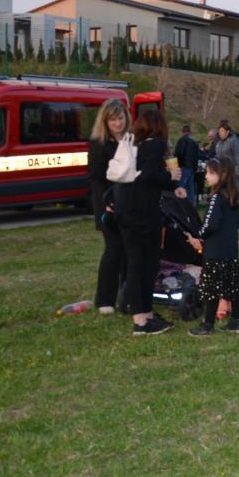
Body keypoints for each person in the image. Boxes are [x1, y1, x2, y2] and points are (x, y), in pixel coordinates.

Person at [113, 108, 187, 335]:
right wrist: (171, 177)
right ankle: (142, 321)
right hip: (143, 214)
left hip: (125, 212)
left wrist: (171, 185)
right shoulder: (155, 145)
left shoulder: (132, 145)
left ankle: (145, 314)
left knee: (136, 264)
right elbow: (148, 176)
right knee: (145, 265)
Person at [187, 158, 239, 335]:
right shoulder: (232, 198)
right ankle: (236, 321)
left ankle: (207, 325)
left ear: (222, 175)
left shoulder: (216, 198)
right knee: (233, 287)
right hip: (230, 251)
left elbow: (210, 224)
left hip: (215, 251)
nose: (206, 176)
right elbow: (236, 224)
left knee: (211, 289)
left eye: (210, 173)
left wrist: (199, 235)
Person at [87, 98, 130, 315]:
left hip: (129, 203)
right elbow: (95, 179)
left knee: (128, 251)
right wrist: (107, 203)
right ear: (105, 121)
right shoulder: (99, 144)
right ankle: (105, 299)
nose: (118, 123)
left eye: (120, 118)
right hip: (108, 205)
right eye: (113, 119)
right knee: (113, 250)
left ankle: (127, 295)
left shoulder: (130, 140)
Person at [173, 124, 200, 204]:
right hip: (192, 168)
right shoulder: (194, 142)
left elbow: (178, 153)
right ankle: (191, 206)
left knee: (180, 187)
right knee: (190, 189)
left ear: (182, 132)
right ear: (190, 132)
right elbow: (197, 155)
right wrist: (195, 167)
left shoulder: (181, 140)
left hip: (183, 166)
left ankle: (178, 205)